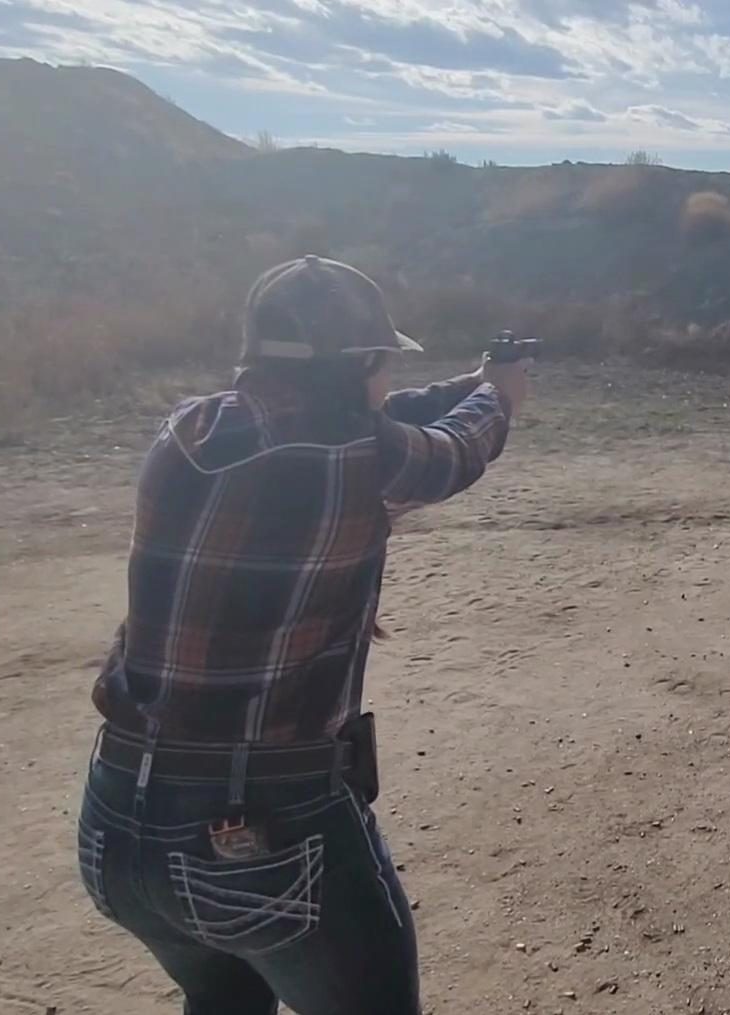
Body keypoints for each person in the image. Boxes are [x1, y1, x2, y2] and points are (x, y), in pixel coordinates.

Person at [76, 254, 530, 1014]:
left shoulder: (192, 426)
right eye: (381, 362)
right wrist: (498, 396)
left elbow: (364, 417)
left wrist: (466, 381)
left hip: (120, 821)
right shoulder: (357, 457)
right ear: (358, 366)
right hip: (259, 827)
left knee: (224, 999)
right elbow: (453, 452)